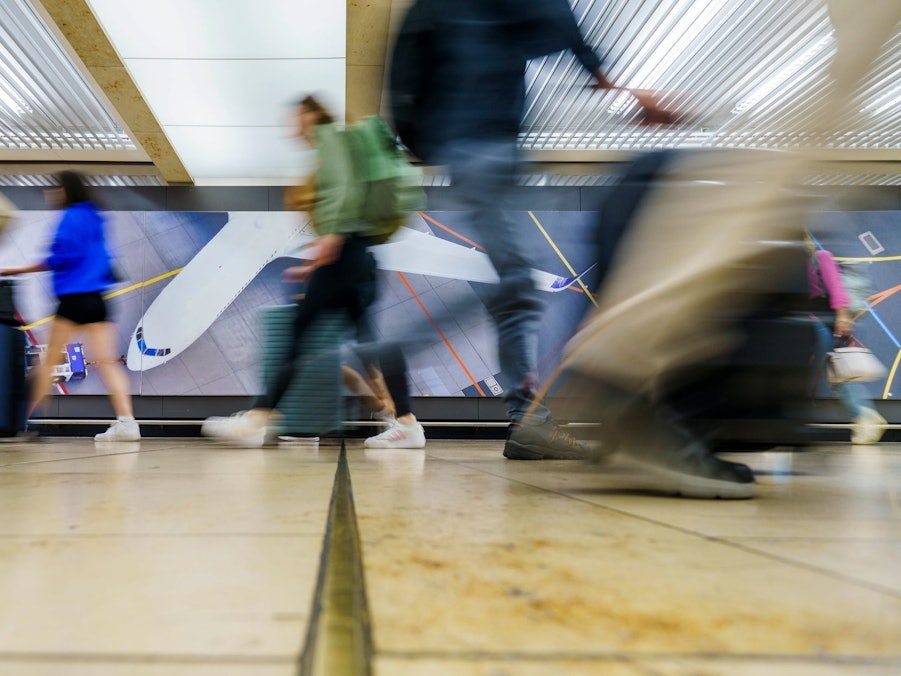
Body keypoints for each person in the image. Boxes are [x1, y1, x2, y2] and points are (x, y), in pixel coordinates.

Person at [390, 0, 673, 460]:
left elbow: (411, 69)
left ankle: (525, 418)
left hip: (483, 144)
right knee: (518, 283)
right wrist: (614, 85)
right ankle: (522, 418)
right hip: (482, 145)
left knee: (516, 282)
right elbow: (554, 18)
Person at [202, 95, 425, 449]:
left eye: (296, 118)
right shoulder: (334, 145)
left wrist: (334, 235)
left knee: (298, 334)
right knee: (371, 342)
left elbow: (343, 188)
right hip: (357, 255)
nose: (293, 127)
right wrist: (317, 261)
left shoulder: (329, 138)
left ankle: (258, 418)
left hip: (347, 249)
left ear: (310, 115)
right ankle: (408, 423)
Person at [0, 171, 140, 442]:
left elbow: (59, 258)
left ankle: (21, 423)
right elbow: (106, 257)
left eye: (53, 189)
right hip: (98, 300)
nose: (49, 194)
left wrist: (17, 269)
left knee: (49, 360)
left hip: (74, 300)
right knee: (108, 362)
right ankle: (128, 423)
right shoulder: (95, 215)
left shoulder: (70, 217)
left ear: (64, 190)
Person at [807, 234, 886, 444]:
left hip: (822, 322)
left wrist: (843, 316)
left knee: (835, 371)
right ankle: (865, 414)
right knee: (832, 372)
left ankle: (864, 414)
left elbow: (836, 288)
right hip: (809, 323)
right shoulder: (794, 264)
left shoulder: (820, 256)